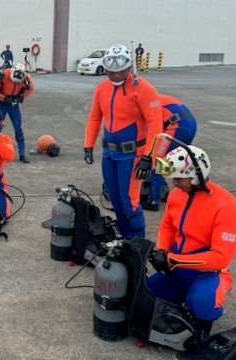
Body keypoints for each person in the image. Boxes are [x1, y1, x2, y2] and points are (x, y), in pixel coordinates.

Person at [147, 144, 236, 350]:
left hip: (210, 273)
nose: (174, 182)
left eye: (178, 178)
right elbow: (167, 226)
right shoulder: (176, 196)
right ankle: (181, 302)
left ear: (195, 176)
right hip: (176, 270)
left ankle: (203, 326)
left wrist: (174, 260)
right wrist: (162, 250)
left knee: (202, 302)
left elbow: (220, 258)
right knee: (148, 293)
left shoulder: (226, 205)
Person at [83, 44, 162, 239]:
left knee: (130, 201)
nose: (116, 75)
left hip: (133, 155)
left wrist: (148, 157)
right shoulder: (101, 88)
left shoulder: (143, 88)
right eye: (112, 71)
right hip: (109, 154)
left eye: (120, 71)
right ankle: (125, 239)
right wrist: (88, 145)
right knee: (115, 199)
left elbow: (155, 123)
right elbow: (94, 118)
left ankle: (138, 244)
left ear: (128, 68)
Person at [142, 94, 198, 211]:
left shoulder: (146, 106)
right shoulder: (158, 98)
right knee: (185, 162)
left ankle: (153, 201)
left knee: (157, 162)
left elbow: (151, 133)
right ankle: (192, 193)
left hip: (177, 127)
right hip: (190, 125)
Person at [0, 63, 34, 164]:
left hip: (14, 105)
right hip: (1, 104)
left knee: (18, 129)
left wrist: (21, 97)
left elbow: (31, 88)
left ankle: (22, 155)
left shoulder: (26, 79)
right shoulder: (3, 75)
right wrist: (3, 98)